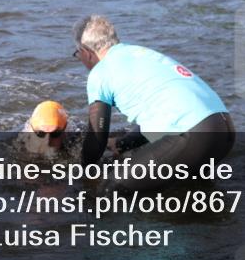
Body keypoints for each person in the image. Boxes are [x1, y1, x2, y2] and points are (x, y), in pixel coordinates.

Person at [74, 15, 235, 193]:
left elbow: (97, 137)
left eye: (77, 54)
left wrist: (84, 175)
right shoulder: (142, 54)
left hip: (193, 135)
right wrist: (122, 144)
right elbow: (165, 115)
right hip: (224, 131)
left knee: (110, 189)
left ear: (86, 51)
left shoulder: (100, 72)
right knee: (191, 193)